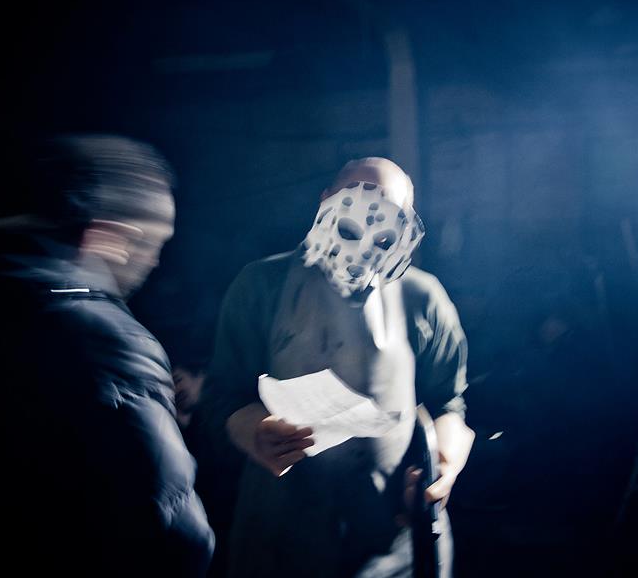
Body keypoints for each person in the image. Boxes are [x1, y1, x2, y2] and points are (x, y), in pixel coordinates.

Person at [200, 157, 475, 578]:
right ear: (324, 201)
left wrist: (442, 467)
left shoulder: (424, 297)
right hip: (280, 541)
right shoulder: (260, 286)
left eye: (384, 230)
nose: (362, 245)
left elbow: (449, 402)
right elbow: (222, 396)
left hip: (391, 547)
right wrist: (256, 431)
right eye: (349, 223)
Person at [0, 135, 214, 575]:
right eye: (151, 244)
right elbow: (172, 528)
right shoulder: (109, 340)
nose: (154, 262)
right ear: (107, 237)